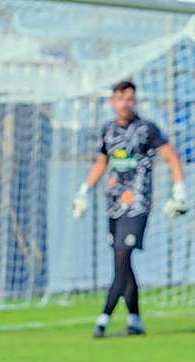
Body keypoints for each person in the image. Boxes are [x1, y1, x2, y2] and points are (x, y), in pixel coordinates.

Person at [71, 79, 187, 338]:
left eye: (130, 99)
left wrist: (179, 191)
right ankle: (135, 320)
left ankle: (103, 319)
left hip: (137, 205)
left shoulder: (146, 129)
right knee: (121, 262)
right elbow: (102, 162)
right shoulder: (108, 130)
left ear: (135, 101)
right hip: (114, 207)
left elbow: (172, 156)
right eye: (121, 99)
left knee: (122, 257)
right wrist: (84, 191)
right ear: (113, 101)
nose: (126, 103)